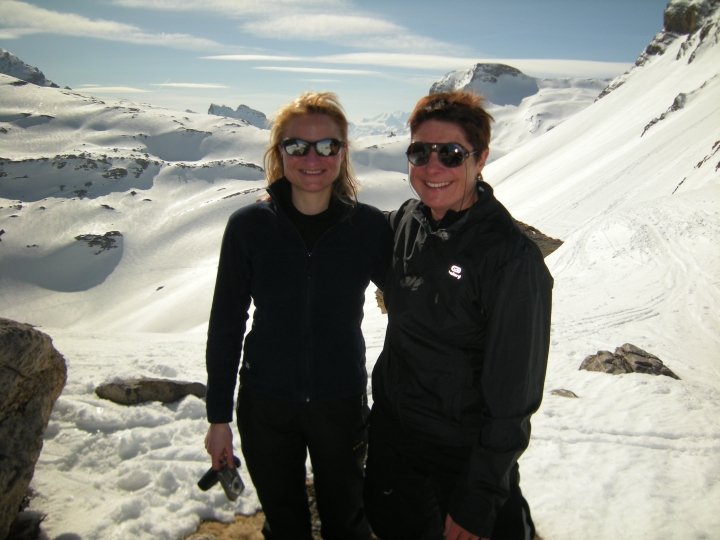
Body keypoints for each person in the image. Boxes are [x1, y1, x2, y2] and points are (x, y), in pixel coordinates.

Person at [364, 90, 553, 540]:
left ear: (480, 158)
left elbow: (513, 400)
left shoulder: (510, 260)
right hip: (395, 446)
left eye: (451, 154)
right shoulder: (407, 222)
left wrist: (478, 500)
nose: (432, 168)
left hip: (463, 461)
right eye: (419, 152)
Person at [204, 91, 392, 540]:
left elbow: (412, 308)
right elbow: (226, 324)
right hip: (265, 404)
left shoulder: (369, 228)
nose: (313, 158)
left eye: (327, 145)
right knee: (285, 525)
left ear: (343, 153)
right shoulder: (249, 227)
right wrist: (218, 419)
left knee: (347, 521)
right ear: (278, 153)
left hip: (341, 402)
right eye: (297, 146)